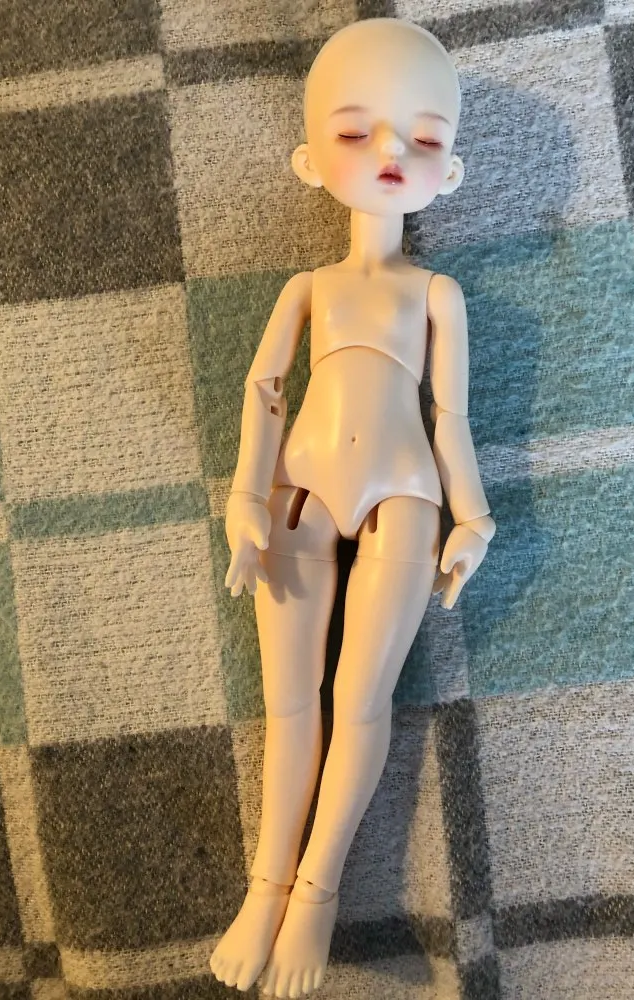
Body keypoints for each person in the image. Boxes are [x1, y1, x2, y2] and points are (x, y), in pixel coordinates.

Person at [209, 17, 495, 998]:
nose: (388, 152)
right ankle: (265, 889)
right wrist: (244, 496)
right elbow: (262, 390)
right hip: (294, 496)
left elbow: (452, 416)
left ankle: (316, 892)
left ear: (449, 171)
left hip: (406, 500)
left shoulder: (437, 294)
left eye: (422, 137)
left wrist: (473, 516)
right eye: (353, 131)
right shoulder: (308, 288)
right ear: (308, 159)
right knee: (291, 703)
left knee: (358, 700)